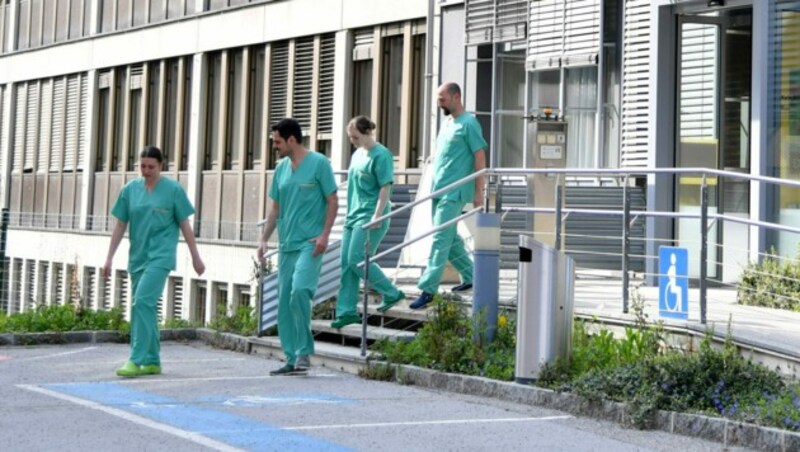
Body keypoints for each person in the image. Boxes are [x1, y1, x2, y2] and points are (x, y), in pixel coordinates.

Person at [103, 146, 205, 377]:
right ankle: (152, 360)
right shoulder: (130, 190)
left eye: (151, 167)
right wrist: (108, 258)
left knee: (142, 302)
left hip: (161, 257)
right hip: (137, 257)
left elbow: (185, 225)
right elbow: (120, 224)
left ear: (161, 166)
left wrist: (196, 257)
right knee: (143, 307)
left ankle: (136, 359)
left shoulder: (173, 190)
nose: (146, 171)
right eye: (142, 166)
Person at [258, 118, 338, 376]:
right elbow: (275, 208)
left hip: (310, 243)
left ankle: (304, 350)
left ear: (291, 140)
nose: (275, 146)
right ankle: (291, 359)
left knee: (299, 291)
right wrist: (263, 239)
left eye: (277, 141)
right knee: (284, 301)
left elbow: (332, 200)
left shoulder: (319, 164)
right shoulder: (281, 169)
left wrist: (325, 235)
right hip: (287, 245)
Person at [410, 82, 487, 310]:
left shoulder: (469, 123)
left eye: (442, 99)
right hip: (439, 189)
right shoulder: (447, 123)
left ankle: (428, 289)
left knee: (439, 238)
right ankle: (472, 275)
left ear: (456, 97)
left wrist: (478, 192)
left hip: (455, 191)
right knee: (450, 237)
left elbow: (479, 158)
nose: (439, 103)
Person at [332, 116, 406, 329]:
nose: (352, 141)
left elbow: (385, 187)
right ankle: (346, 311)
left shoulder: (381, 155)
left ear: (366, 133)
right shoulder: (357, 154)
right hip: (353, 214)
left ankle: (391, 292)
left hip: (371, 214)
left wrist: (377, 216)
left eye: (355, 136)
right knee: (346, 263)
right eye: (350, 137)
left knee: (357, 259)